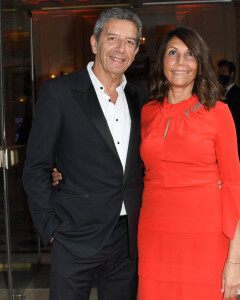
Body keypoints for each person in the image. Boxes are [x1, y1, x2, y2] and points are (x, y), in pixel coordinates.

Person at [22, 8, 147, 300]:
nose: (121, 49)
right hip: (73, 235)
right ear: (95, 43)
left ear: (137, 49)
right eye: (113, 38)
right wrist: (50, 229)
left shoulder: (139, 98)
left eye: (130, 42)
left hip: (127, 238)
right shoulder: (59, 93)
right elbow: (36, 167)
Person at [137, 27, 240, 299]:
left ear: (200, 63)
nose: (180, 62)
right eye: (172, 53)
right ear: (161, 61)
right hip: (155, 233)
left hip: (206, 235)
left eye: (190, 55)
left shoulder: (218, 112)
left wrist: (235, 259)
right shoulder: (147, 112)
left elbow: (234, 184)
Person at [218, 59, 240, 180]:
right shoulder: (220, 94)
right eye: (220, 72)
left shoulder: (238, 93)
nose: (221, 75)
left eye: (224, 72)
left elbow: (236, 119)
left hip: (235, 142)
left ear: (232, 74)